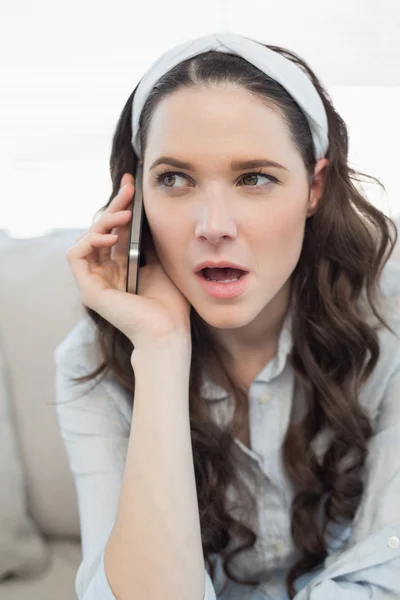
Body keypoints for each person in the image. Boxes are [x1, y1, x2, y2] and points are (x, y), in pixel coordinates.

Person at [54, 32, 400, 600]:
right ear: (136, 200)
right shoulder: (89, 360)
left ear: (314, 188)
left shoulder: (389, 321)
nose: (213, 225)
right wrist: (161, 350)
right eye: (175, 179)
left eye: (254, 178)